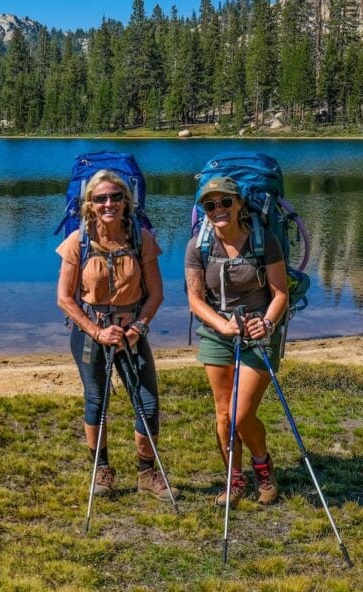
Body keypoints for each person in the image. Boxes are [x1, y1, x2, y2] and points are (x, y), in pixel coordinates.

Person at [56, 169, 175, 501]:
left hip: (131, 333)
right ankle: (102, 470)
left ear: (127, 201)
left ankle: (147, 474)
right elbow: (64, 298)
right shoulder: (77, 242)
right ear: (89, 204)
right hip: (91, 334)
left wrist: (138, 328)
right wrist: (96, 331)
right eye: (101, 198)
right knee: (97, 401)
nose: (109, 203)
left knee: (147, 403)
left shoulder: (141, 239)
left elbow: (156, 294)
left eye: (116, 197)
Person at [184, 176, 289, 506]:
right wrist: (222, 325)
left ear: (239, 203)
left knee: (242, 415)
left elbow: (280, 294)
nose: (219, 209)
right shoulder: (198, 245)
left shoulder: (263, 240)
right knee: (224, 416)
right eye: (210, 205)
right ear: (204, 210)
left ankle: (263, 468)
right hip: (219, 333)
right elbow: (195, 299)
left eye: (225, 202)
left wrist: (268, 324)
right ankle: (235, 480)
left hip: (259, 331)